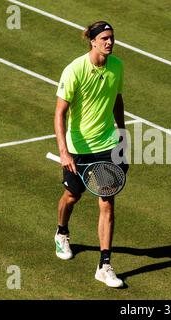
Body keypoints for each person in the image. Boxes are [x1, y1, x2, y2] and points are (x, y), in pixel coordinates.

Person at [53, 21, 128, 288]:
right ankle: (62, 232)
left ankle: (104, 265)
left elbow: (117, 100)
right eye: (105, 38)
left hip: (107, 145)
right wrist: (64, 152)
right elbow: (60, 113)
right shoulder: (74, 70)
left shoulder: (117, 66)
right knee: (72, 196)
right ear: (92, 42)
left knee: (107, 202)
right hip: (78, 148)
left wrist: (122, 135)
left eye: (112, 38)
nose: (110, 42)